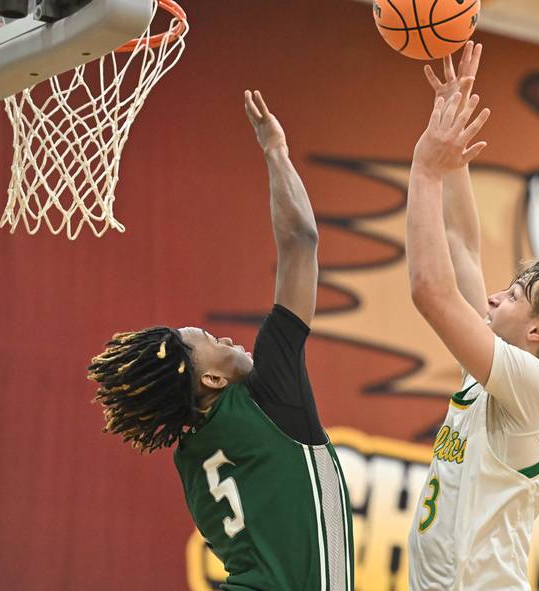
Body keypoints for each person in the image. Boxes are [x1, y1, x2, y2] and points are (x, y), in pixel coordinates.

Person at [87, 91, 354, 591]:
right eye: (208, 338)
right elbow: (301, 241)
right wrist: (276, 150)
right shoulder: (268, 396)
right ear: (210, 377)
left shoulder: (191, 453)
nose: (225, 336)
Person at [405, 42, 539, 590]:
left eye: (515, 292)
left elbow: (431, 291)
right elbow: (461, 242)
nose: (496, 296)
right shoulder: (495, 372)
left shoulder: (535, 390)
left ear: (538, 330)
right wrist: (452, 148)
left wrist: (425, 171)